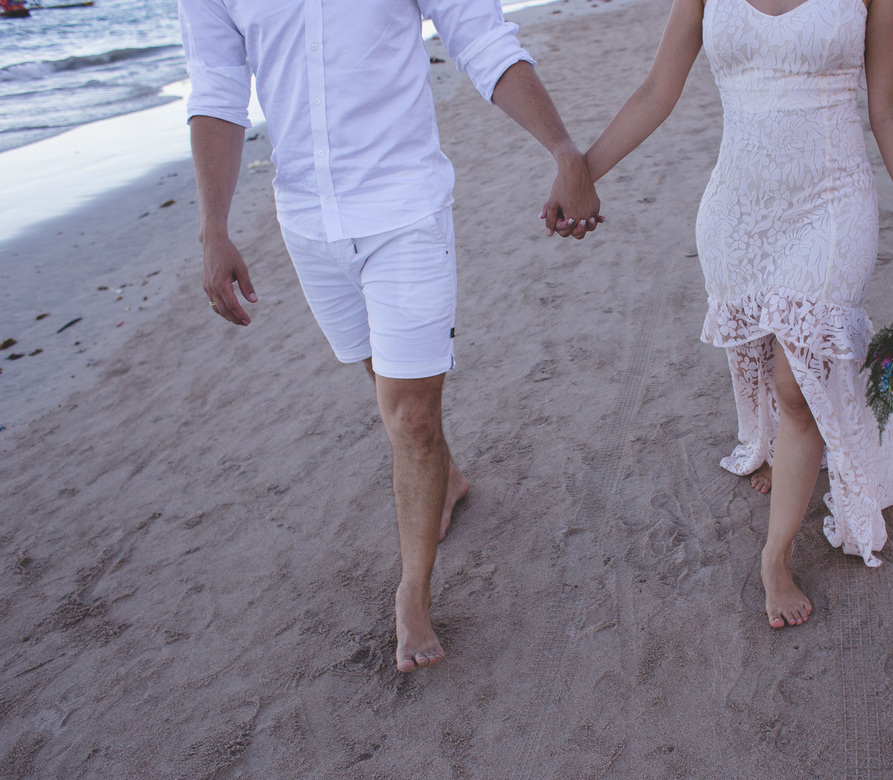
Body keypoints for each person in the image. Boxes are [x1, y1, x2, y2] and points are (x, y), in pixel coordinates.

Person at [179, 0, 601, 672]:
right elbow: (218, 88)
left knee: (408, 413)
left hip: (405, 207)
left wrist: (562, 148)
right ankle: (449, 476)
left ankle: (413, 592)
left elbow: (480, 37)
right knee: (382, 372)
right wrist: (214, 228)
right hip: (308, 222)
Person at [559, 0, 893, 627]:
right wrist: (584, 173)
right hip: (738, 207)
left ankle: (775, 556)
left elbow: (890, 106)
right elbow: (659, 90)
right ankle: (773, 447)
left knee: (799, 379)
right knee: (763, 349)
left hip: (832, 201)